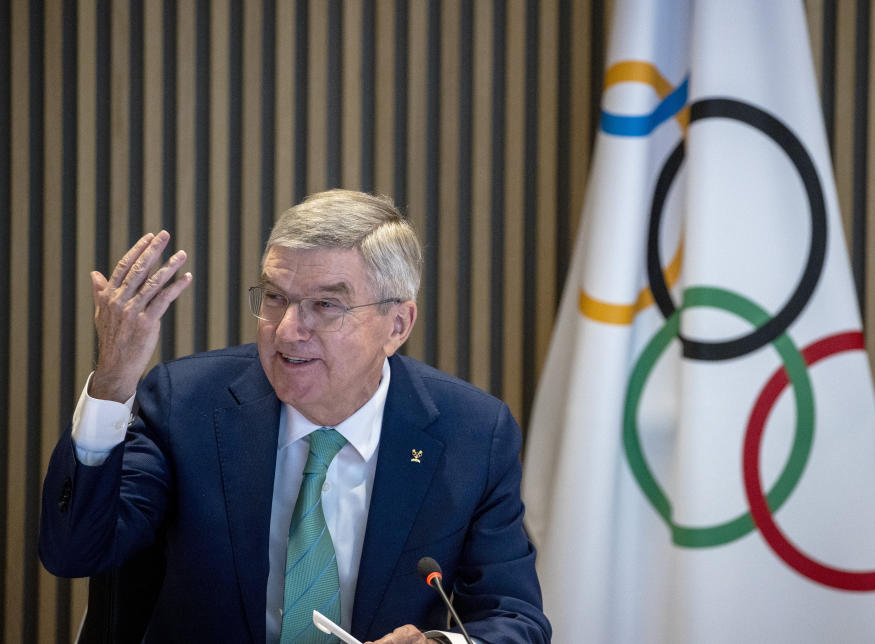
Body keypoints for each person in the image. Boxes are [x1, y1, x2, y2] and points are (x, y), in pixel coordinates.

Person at [39, 190, 551, 644]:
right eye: (276, 298)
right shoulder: (186, 405)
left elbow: (515, 618)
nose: (286, 330)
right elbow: (75, 552)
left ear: (397, 324)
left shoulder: (472, 434)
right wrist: (112, 382)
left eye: (326, 305)